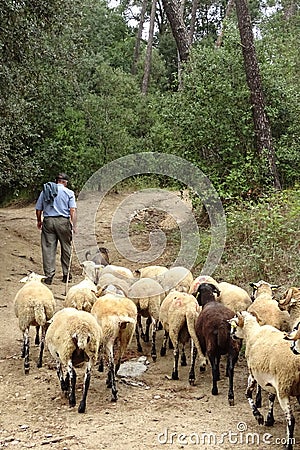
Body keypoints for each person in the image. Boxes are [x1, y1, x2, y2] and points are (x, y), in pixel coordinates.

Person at [35, 173, 77, 285]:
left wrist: (39, 220)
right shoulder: (69, 193)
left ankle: (49, 276)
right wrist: (74, 224)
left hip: (48, 221)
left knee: (48, 248)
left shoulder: (45, 191)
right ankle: (66, 275)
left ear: (56, 181)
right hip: (63, 222)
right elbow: (72, 210)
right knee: (66, 247)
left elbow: (38, 209)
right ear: (65, 182)